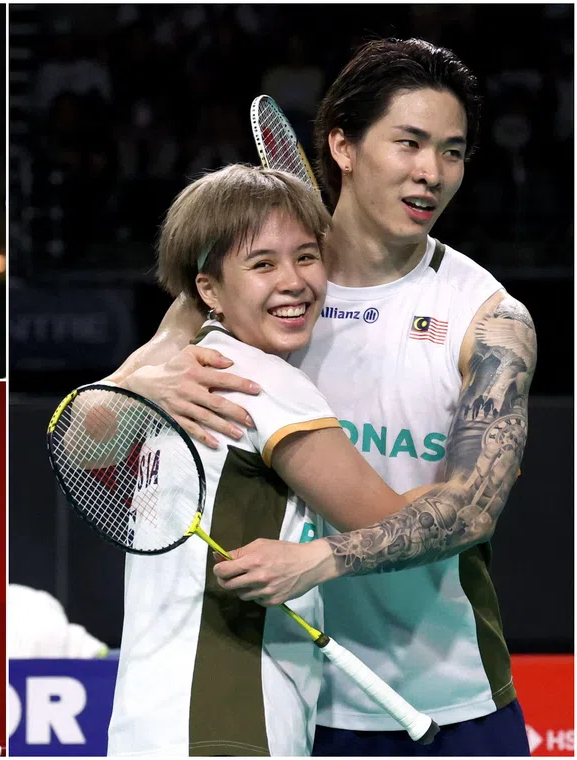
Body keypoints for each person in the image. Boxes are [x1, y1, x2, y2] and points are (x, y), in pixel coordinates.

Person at [107, 39, 535, 756]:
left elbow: (471, 511)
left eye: (453, 152)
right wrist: (133, 384)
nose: (430, 173)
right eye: (408, 143)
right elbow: (104, 423)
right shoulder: (260, 287)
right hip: (298, 694)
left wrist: (325, 558)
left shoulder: (489, 320)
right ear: (342, 143)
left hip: (447, 698)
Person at [109, 163, 433, 757]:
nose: (294, 281)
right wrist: (473, 480)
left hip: (144, 723)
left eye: (307, 257)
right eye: (263, 264)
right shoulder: (261, 382)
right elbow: (391, 526)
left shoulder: (172, 381)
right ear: (208, 290)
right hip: (231, 717)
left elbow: (85, 428)